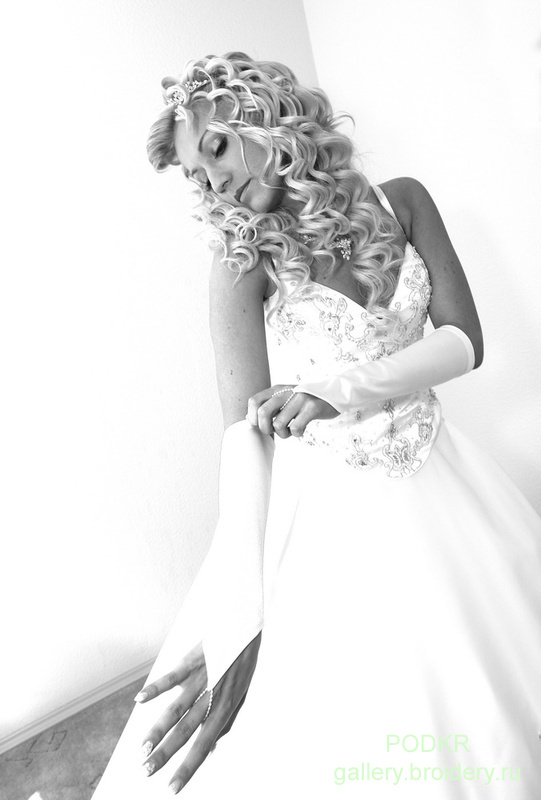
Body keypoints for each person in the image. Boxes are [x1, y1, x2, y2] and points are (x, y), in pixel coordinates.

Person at [92, 52, 541, 799]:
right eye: (196, 176)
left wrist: (340, 389)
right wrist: (241, 618)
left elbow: (465, 342)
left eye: (216, 148)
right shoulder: (240, 262)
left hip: (444, 484)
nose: (214, 182)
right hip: (330, 514)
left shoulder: (404, 202)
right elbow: (242, 440)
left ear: (266, 116)